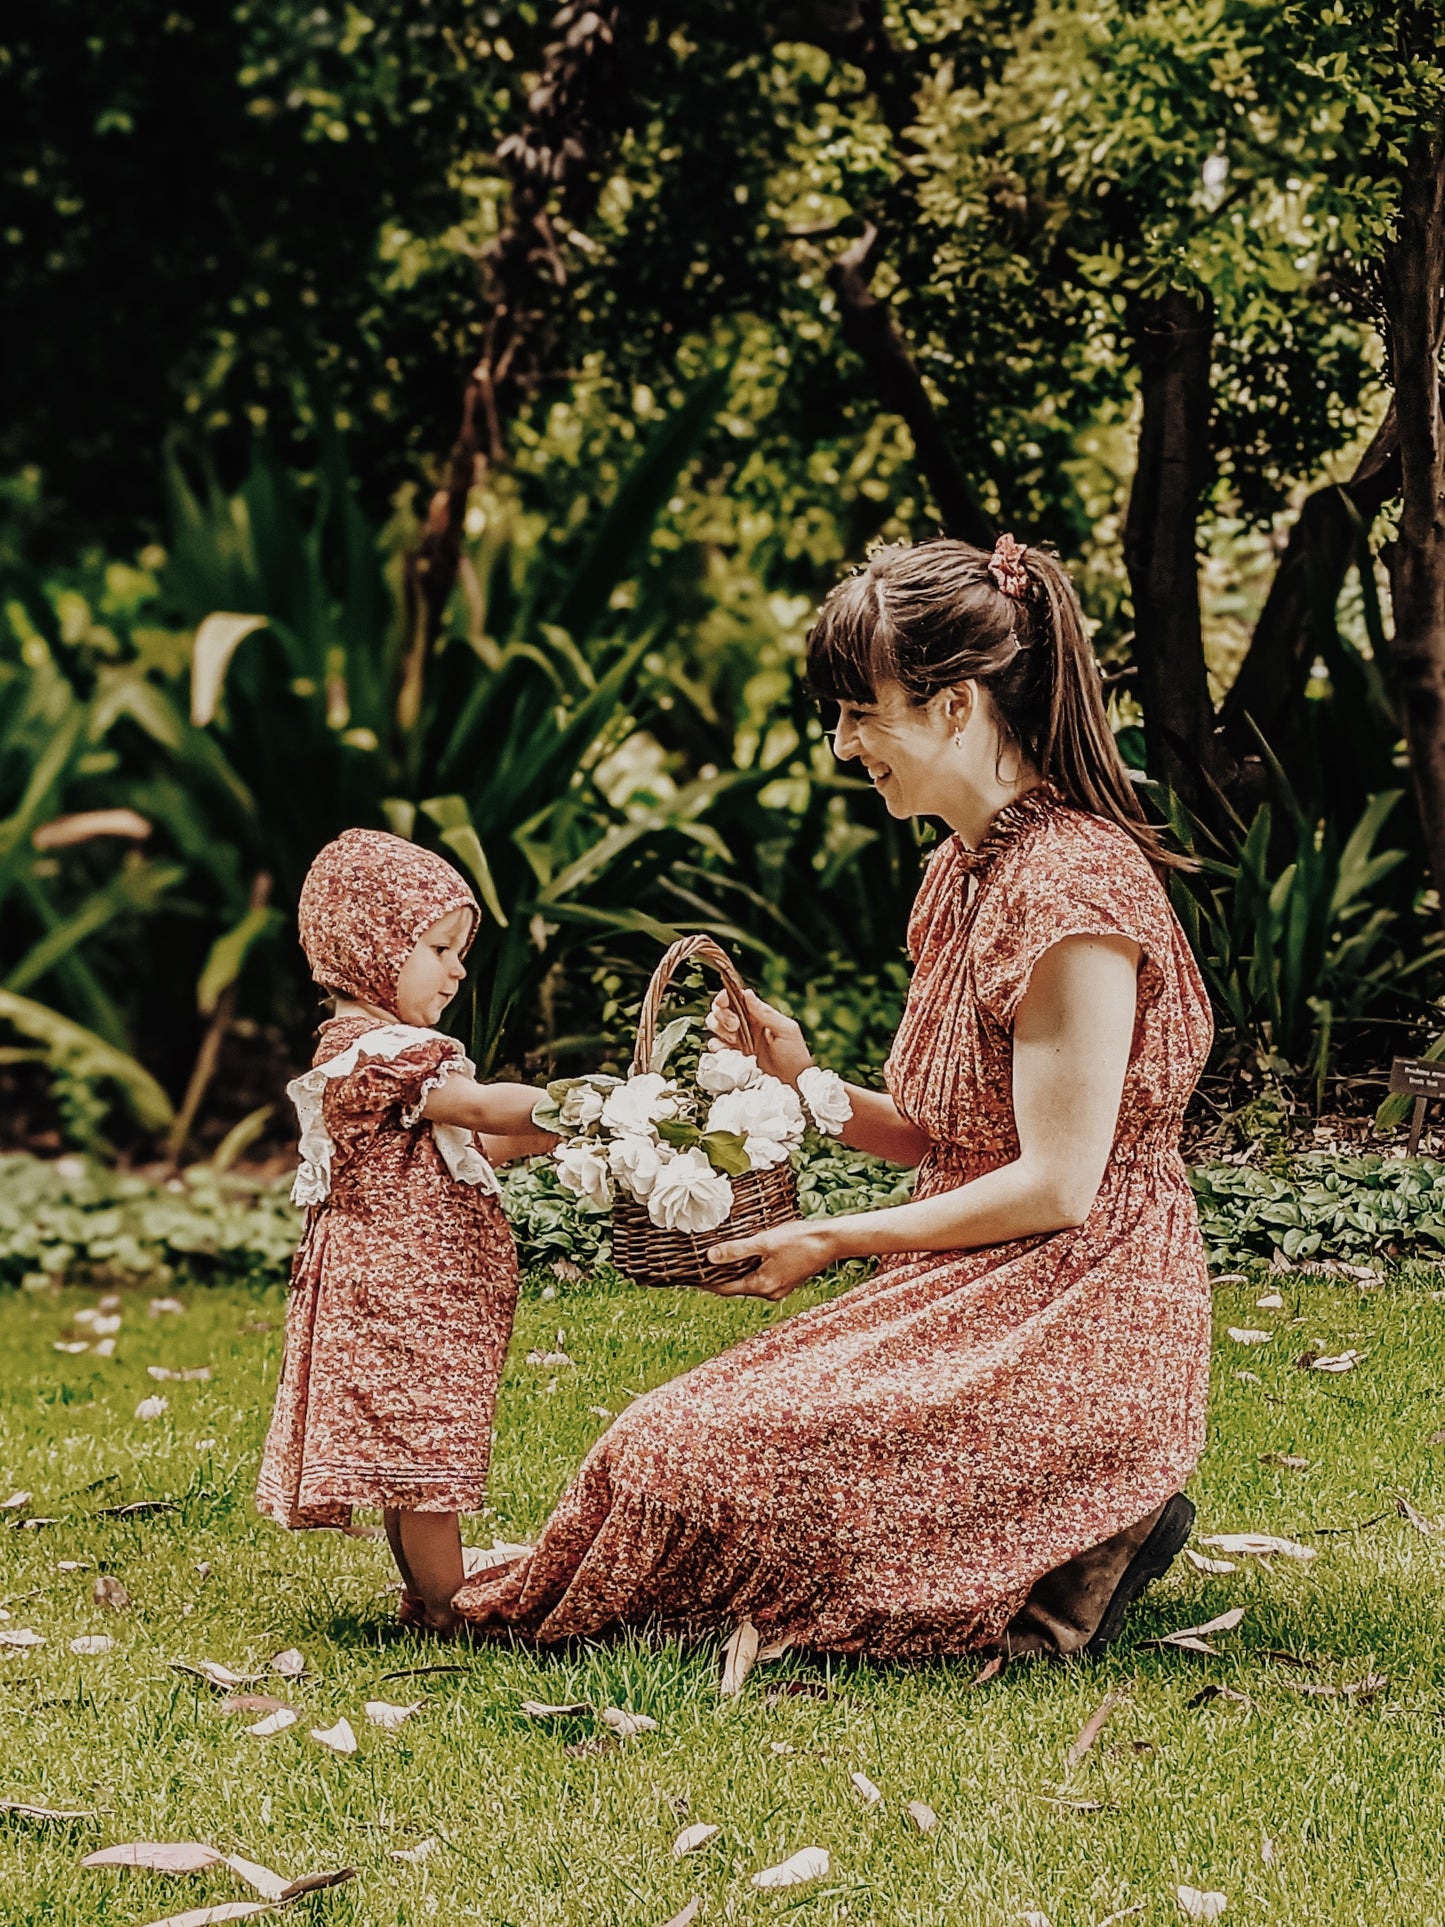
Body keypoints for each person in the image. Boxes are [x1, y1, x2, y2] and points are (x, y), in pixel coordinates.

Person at [452, 534, 1214, 1657]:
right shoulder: (964, 867)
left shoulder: (1073, 892)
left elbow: (1057, 1184)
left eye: (861, 712)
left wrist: (837, 1236)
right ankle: (1054, 1541)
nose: (842, 742)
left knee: (686, 1460)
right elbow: (937, 1135)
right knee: (659, 1445)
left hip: (1077, 1308)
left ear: (954, 706)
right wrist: (798, 1077)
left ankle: (1088, 1519)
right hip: (973, 1287)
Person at [256, 828, 556, 1636]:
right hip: (400, 1297)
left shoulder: (401, 1057)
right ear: (372, 943)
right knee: (426, 1463)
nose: (458, 968)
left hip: (421, 1296)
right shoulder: (377, 1052)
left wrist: (572, 1135)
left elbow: (483, 1141)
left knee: (416, 1457)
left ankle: (431, 1599)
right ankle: (454, 1607)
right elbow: (483, 1107)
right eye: (438, 947)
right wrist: (581, 1100)